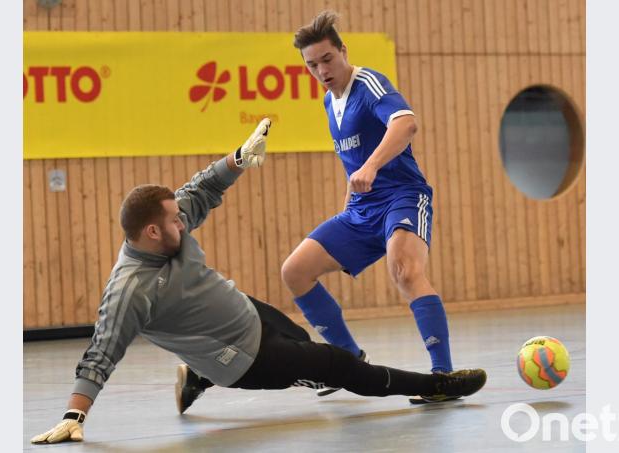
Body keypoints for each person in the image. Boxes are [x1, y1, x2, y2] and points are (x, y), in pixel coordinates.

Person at [31, 119, 486, 444]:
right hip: (247, 360)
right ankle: (434, 385)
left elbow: (200, 189)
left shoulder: (169, 227)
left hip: (246, 312)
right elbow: (101, 351)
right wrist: (75, 413)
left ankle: (196, 376)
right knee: (338, 366)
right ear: (152, 232)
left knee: (304, 339)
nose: (182, 221)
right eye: (173, 220)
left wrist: (238, 159)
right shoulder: (130, 290)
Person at [282, 11, 479, 401]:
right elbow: (352, 167)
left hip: (402, 196)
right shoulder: (328, 102)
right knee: (295, 271)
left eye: (327, 59)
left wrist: (373, 164)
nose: (322, 70)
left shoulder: (369, 83)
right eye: (311, 65)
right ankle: (346, 360)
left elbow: (406, 124)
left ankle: (442, 376)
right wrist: (349, 204)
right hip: (361, 210)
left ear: (343, 51)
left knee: (404, 271)